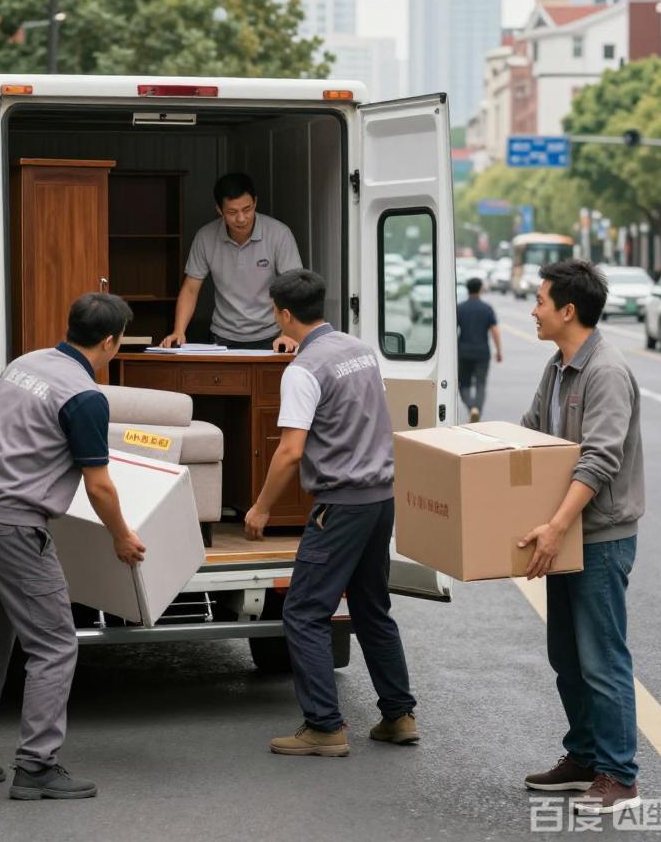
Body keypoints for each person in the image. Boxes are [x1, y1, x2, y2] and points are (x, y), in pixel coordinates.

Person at [0, 293, 146, 801]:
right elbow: (99, 485)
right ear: (110, 341)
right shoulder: (85, 396)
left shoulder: (26, 363)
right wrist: (122, 536)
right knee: (54, 645)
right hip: (13, 525)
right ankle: (36, 765)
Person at [244, 269, 418, 757]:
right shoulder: (359, 350)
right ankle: (399, 715)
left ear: (282, 314)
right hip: (380, 499)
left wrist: (260, 509)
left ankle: (324, 726)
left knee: (303, 611)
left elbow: (290, 451)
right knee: (371, 608)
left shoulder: (303, 369)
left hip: (339, 505)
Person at [518, 259, 645, 815]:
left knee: (601, 658)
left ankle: (619, 776)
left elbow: (600, 460)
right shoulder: (558, 365)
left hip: (598, 536)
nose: (534, 310)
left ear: (568, 310)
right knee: (566, 655)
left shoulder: (606, 371)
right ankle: (585, 756)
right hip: (565, 534)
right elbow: (529, 433)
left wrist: (557, 526)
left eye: (541, 301)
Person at [159, 172, 303, 351]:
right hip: (222, 337)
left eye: (247, 209)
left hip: (272, 335)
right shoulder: (205, 237)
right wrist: (179, 331)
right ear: (219, 210)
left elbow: (294, 288)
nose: (241, 218)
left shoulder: (279, 234)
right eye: (232, 212)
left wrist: (287, 334)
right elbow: (190, 289)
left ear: (256, 202)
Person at [456, 276, 502, 422]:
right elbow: (494, 330)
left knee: (464, 384)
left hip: (463, 352)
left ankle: (471, 407)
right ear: (480, 288)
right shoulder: (487, 308)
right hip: (482, 352)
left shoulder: (460, 308)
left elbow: (452, 331)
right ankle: (477, 409)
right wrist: (499, 350)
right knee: (481, 383)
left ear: (467, 289)